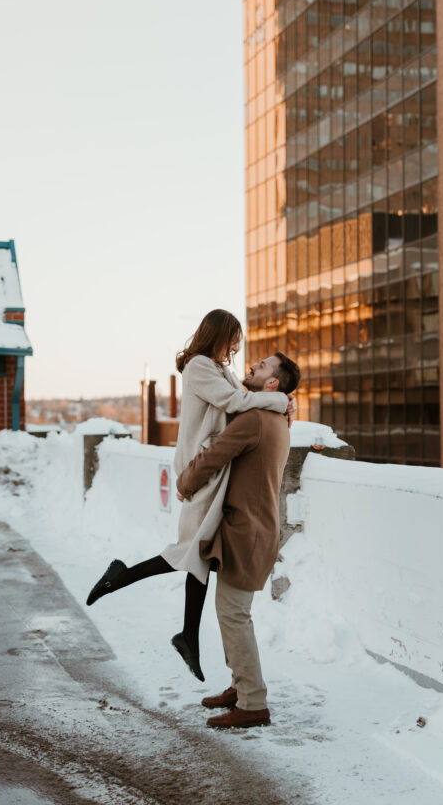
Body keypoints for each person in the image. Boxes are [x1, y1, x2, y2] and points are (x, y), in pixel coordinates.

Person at [85, 309, 294, 682]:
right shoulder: (199, 366)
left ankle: (188, 637)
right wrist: (279, 401)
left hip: (215, 474)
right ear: (218, 334)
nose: (236, 346)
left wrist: (280, 401)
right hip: (200, 469)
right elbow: (237, 405)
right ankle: (122, 579)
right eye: (233, 338)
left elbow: (243, 400)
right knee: (192, 550)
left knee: (198, 553)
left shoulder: (220, 370)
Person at [176, 350, 300, 729]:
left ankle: (252, 703)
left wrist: (184, 483)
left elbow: (215, 455)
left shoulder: (256, 420)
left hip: (247, 531)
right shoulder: (276, 418)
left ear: (272, 383)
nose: (252, 366)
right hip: (253, 528)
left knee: (234, 615)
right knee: (230, 612)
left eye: (261, 366)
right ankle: (240, 686)